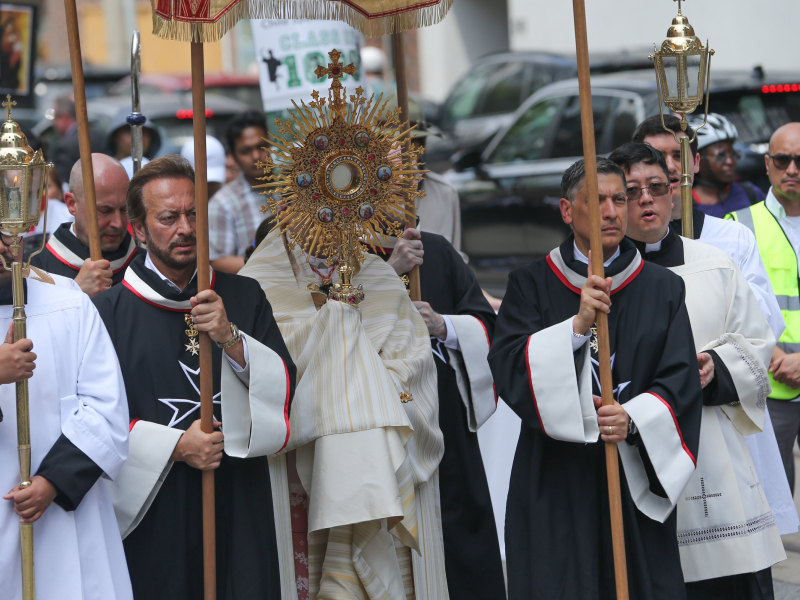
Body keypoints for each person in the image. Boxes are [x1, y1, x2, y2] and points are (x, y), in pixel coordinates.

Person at [489, 157, 703, 600]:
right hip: (554, 476)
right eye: (598, 200)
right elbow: (509, 367)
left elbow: (681, 379)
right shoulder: (530, 284)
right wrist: (576, 326)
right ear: (568, 211)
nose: (611, 212)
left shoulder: (662, 288)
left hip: (634, 474)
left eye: (619, 200)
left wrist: (635, 418)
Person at [93, 155, 296, 600]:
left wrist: (231, 338)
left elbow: (284, 389)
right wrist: (174, 446)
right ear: (140, 230)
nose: (185, 228)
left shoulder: (244, 294)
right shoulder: (107, 314)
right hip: (152, 504)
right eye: (168, 218)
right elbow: (90, 417)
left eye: (193, 214)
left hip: (238, 495)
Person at [611, 142, 785, 599]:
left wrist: (718, 368)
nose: (647, 199)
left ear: (674, 194)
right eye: (631, 191)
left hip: (711, 447)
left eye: (656, 187)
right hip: (634, 452)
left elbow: (757, 345)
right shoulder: (600, 278)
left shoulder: (714, 265)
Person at [240, 225, 449, 600]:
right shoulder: (258, 279)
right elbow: (262, 366)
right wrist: (334, 333)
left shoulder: (378, 273)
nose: (334, 215)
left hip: (381, 453)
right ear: (292, 203)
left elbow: (416, 364)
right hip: (298, 467)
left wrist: (369, 387)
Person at [636, 116, 800, 536]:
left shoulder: (730, 239)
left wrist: (715, 359)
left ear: (693, 160)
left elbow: (761, 324)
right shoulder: (615, 250)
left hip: (725, 409)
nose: (669, 167)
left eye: (677, 155)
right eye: (656, 157)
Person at [0, 227, 132, 599]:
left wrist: (53, 482)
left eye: (3, 232)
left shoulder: (67, 300)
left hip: (64, 513)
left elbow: (105, 406)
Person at [378, 227, 506, 600]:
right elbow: (331, 332)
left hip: (444, 427)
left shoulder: (434, 250)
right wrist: (389, 272)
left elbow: (488, 326)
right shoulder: (335, 251)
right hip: (379, 430)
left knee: (459, 548)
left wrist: (443, 325)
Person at [728, 122, 800, 496]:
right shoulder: (740, 227)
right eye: (783, 159)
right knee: (771, 496)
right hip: (769, 383)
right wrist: (776, 357)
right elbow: (730, 306)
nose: (792, 169)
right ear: (768, 164)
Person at [31, 154, 137, 298]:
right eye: (105, 211)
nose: (118, 223)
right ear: (71, 204)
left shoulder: (145, 265)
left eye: (124, 210)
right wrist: (77, 293)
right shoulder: (34, 268)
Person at [209, 111, 270, 274]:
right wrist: (272, 267)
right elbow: (218, 260)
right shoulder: (222, 203)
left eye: (261, 147)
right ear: (234, 157)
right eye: (246, 151)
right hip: (254, 292)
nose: (256, 156)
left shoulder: (293, 189)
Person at [688, 114, 766, 218]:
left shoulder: (751, 193)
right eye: (721, 155)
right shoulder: (685, 206)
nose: (730, 161)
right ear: (697, 160)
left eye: (733, 154)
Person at [51, 96, 106, 184]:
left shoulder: (65, 146)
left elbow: (65, 183)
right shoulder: (100, 135)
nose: (53, 124)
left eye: (55, 118)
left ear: (64, 116)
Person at [104, 108, 162, 179]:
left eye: (143, 131)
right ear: (115, 136)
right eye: (129, 131)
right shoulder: (104, 173)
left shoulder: (159, 172)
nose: (137, 136)